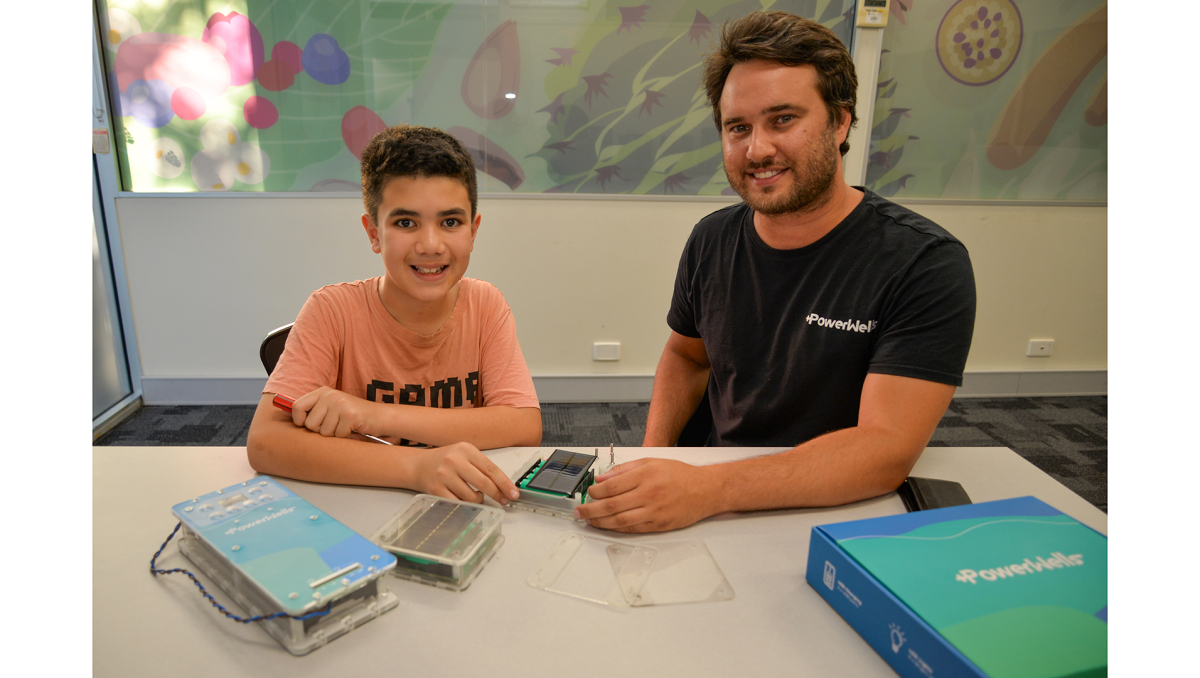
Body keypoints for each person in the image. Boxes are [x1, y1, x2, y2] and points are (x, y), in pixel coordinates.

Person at [575, 11, 976, 533]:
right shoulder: (711, 239)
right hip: (710, 498)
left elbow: (884, 450)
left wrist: (707, 489)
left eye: (783, 119)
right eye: (738, 127)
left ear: (839, 122)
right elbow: (686, 356)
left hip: (839, 507)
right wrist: (651, 459)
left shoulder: (923, 262)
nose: (757, 149)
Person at [247, 125, 541, 506]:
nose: (431, 245)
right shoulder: (331, 310)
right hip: (356, 507)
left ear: (473, 230)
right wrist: (415, 468)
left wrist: (374, 414)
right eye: (405, 223)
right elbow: (266, 443)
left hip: (462, 505)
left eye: (450, 222)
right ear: (373, 233)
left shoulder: (485, 304)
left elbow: (523, 424)